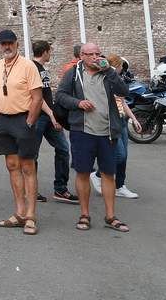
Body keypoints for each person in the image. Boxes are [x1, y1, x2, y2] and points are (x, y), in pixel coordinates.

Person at [57, 42, 131, 233]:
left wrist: (111, 71)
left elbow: (124, 92)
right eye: (91, 54)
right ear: (82, 56)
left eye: (98, 53)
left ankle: (110, 216)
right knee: (82, 172)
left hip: (107, 132)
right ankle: (84, 214)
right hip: (82, 132)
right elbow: (61, 96)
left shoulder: (109, 73)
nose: (95, 57)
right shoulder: (73, 74)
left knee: (108, 174)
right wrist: (78, 102)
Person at [0, 30, 43, 235]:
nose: (6, 46)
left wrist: (30, 121)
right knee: (12, 165)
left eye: (10, 43)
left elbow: (37, 97)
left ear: (17, 43)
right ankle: (19, 213)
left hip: (23, 119)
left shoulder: (28, 65)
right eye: (3, 43)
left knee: (28, 166)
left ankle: (30, 216)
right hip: (3, 120)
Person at [31, 40, 77, 204]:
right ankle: (31, 191)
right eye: (49, 51)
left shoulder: (42, 69)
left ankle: (60, 189)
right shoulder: (31, 68)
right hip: (38, 116)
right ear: (44, 52)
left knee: (63, 149)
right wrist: (51, 114)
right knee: (32, 154)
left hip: (49, 116)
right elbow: (37, 96)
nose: (50, 54)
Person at [91, 56, 141, 199]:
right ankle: (98, 174)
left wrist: (133, 118)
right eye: (121, 67)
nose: (122, 70)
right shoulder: (104, 79)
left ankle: (120, 185)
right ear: (116, 66)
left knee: (124, 156)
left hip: (121, 120)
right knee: (119, 155)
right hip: (111, 121)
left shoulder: (117, 81)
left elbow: (123, 102)